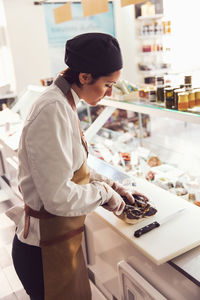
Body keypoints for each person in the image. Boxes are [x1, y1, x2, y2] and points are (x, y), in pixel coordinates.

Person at [8, 33, 147, 300]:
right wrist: (105, 194)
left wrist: (109, 183)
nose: (109, 93)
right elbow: (57, 199)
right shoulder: (52, 110)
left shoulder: (64, 102)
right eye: (108, 84)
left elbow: (71, 167)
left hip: (58, 244)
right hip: (41, 254)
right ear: (84, 77)